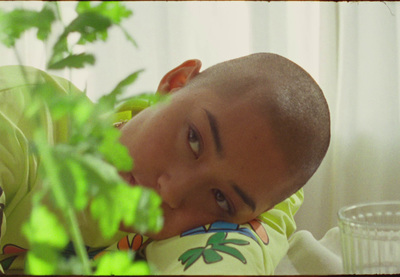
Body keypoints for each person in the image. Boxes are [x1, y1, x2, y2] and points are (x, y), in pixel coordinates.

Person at [0, 53, 330, 274]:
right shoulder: (21, 118)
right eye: (194, 140)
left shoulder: (230, 213)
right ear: (174, 84)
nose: (170, 193)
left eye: (219, 197)